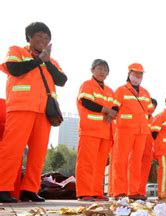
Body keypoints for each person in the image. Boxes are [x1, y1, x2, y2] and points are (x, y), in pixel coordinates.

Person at [0, 22, 67, 203]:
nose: (43, 40)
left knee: (38, 152)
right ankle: (2, 187)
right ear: (29, 37)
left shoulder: (51, 61)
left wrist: (46, 61)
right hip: (21, 107)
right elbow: (14, 69)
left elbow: (62, 80)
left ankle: (29, 189)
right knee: (12, 149)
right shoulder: (17, 51)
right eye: (39, 36)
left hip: (44, 111)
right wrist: (38, 60)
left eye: (46, 38)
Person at [75, 59, 117, 201]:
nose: (102, 72)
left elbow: (115, 107)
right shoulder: (87, 85)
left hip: (105, 131)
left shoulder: (110, 91)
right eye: (100, 68)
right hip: (90, 130)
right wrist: (106, 110)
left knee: (100, 164)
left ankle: (97, 191)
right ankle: (84, 192)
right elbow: (86, 102)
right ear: (92, 70)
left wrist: (112, 114)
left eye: (105, 70)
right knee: (86, 162)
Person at [112, 63, 152, 200]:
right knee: (121, 160)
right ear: (129, 74)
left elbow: (149, 110)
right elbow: (114, 108)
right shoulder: (121, 90)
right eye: (135, 74)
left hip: (141, 131)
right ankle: (119, 191)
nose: (138, 76)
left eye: (140, 74)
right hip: (125, 130)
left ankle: (133, 191)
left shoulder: (145, 92)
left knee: (136, 162)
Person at [138, 98, 158, 198]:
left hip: (148, 148)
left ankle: (141, 191)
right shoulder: (140, 116)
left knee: (145, 170)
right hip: (138, 145)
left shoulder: (154, 120)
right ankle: (133, 190)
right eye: (151, 105)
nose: (152, 108)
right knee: (135, 167)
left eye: (154, 106)